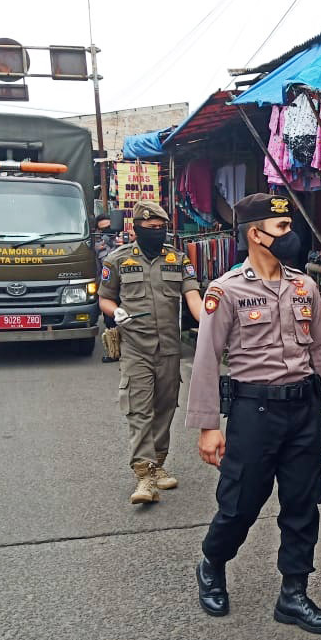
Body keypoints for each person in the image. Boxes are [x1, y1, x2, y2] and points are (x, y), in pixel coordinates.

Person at [187, 192, 321, 633]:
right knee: (240, 504)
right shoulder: (226, 290)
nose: (291, 235)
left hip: (302, 411)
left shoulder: (304, 286)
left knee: (302, 503)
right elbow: (207, 358)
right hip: (253, 412)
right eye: (282, 228)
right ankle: (212, 563)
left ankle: (293, 594)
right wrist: (208, 426)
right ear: (256, 235)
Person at [98, 201, 204, 504]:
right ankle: (144, 476)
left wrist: (210, 323)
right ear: (136, 228)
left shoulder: (178, 259)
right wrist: (116, 312)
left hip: (169, 348)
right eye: (150, 228)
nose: (156, 233)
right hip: (135, 347)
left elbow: (192, 297)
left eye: (161, 228)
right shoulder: (117, 260)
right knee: (140, 410)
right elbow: (105, 298)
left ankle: (157, 463)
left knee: (165, 407)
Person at [93, 214, 122, 363]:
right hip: (108, 288)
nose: (107, 232)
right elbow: (97, 271)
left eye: (110, 228)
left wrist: (124, 244)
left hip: (125, 287)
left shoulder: (123, 242)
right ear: (98, 231)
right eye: (103, 229)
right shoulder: (97, 247)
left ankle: (130, 352)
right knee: (110, 322)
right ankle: (113, 352)